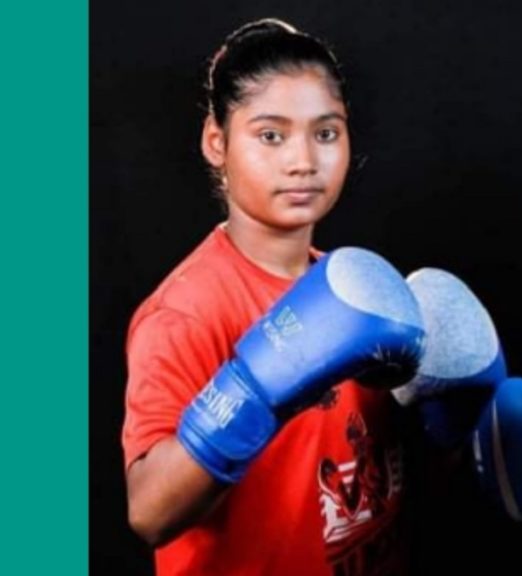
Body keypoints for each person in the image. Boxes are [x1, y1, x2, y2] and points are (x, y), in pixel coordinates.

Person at [121, 18, 426, 575]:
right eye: (271, 135)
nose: (303, 160)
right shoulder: (188, 310)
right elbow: (149, 511)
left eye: (326, 133)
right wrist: (253, 387)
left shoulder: (357, 291)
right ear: (217, 143)